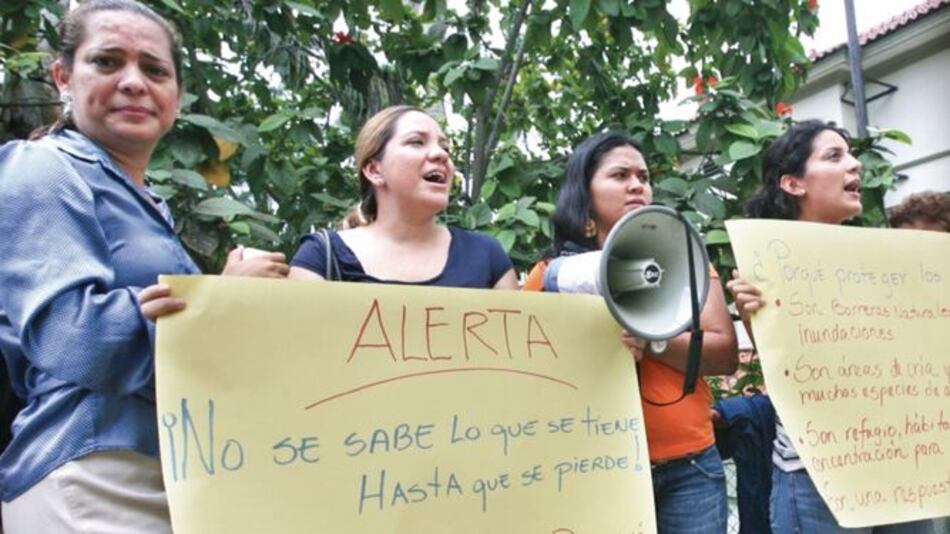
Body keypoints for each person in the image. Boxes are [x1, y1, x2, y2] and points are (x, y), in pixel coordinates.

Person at [0, 1, 287, 532]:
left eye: (155, 70)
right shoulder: (41, 167)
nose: (134, 82)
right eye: (108, 62)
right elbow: (73, 336)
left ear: (176, 98)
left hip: (169, 473)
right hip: (91, 474)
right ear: (62, 76)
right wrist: (221, 298)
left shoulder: (147, 203)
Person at [523, 131, 738, 533]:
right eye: (620, 175)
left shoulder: (683, 258)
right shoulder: (550, 277)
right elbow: (533, 375)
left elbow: (724, 353)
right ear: (584, 195)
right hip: (597, 468)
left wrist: (653, 339)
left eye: (643, 175)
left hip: (688, 465)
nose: (637, 184)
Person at [726, 119, 935, 534]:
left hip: (901, 462)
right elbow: (787, 373)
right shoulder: (763, 269)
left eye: (851, 154)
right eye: (834, 156)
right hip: (816, 473)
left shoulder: (887, 264)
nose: (854, 166)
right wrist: (753, 318)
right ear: (793, 184)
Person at [289, 105, 518, 289]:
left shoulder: (487, 255)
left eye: (445, 147)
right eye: (416, 142)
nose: (441, 154)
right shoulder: (320, 257)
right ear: (374, 170)